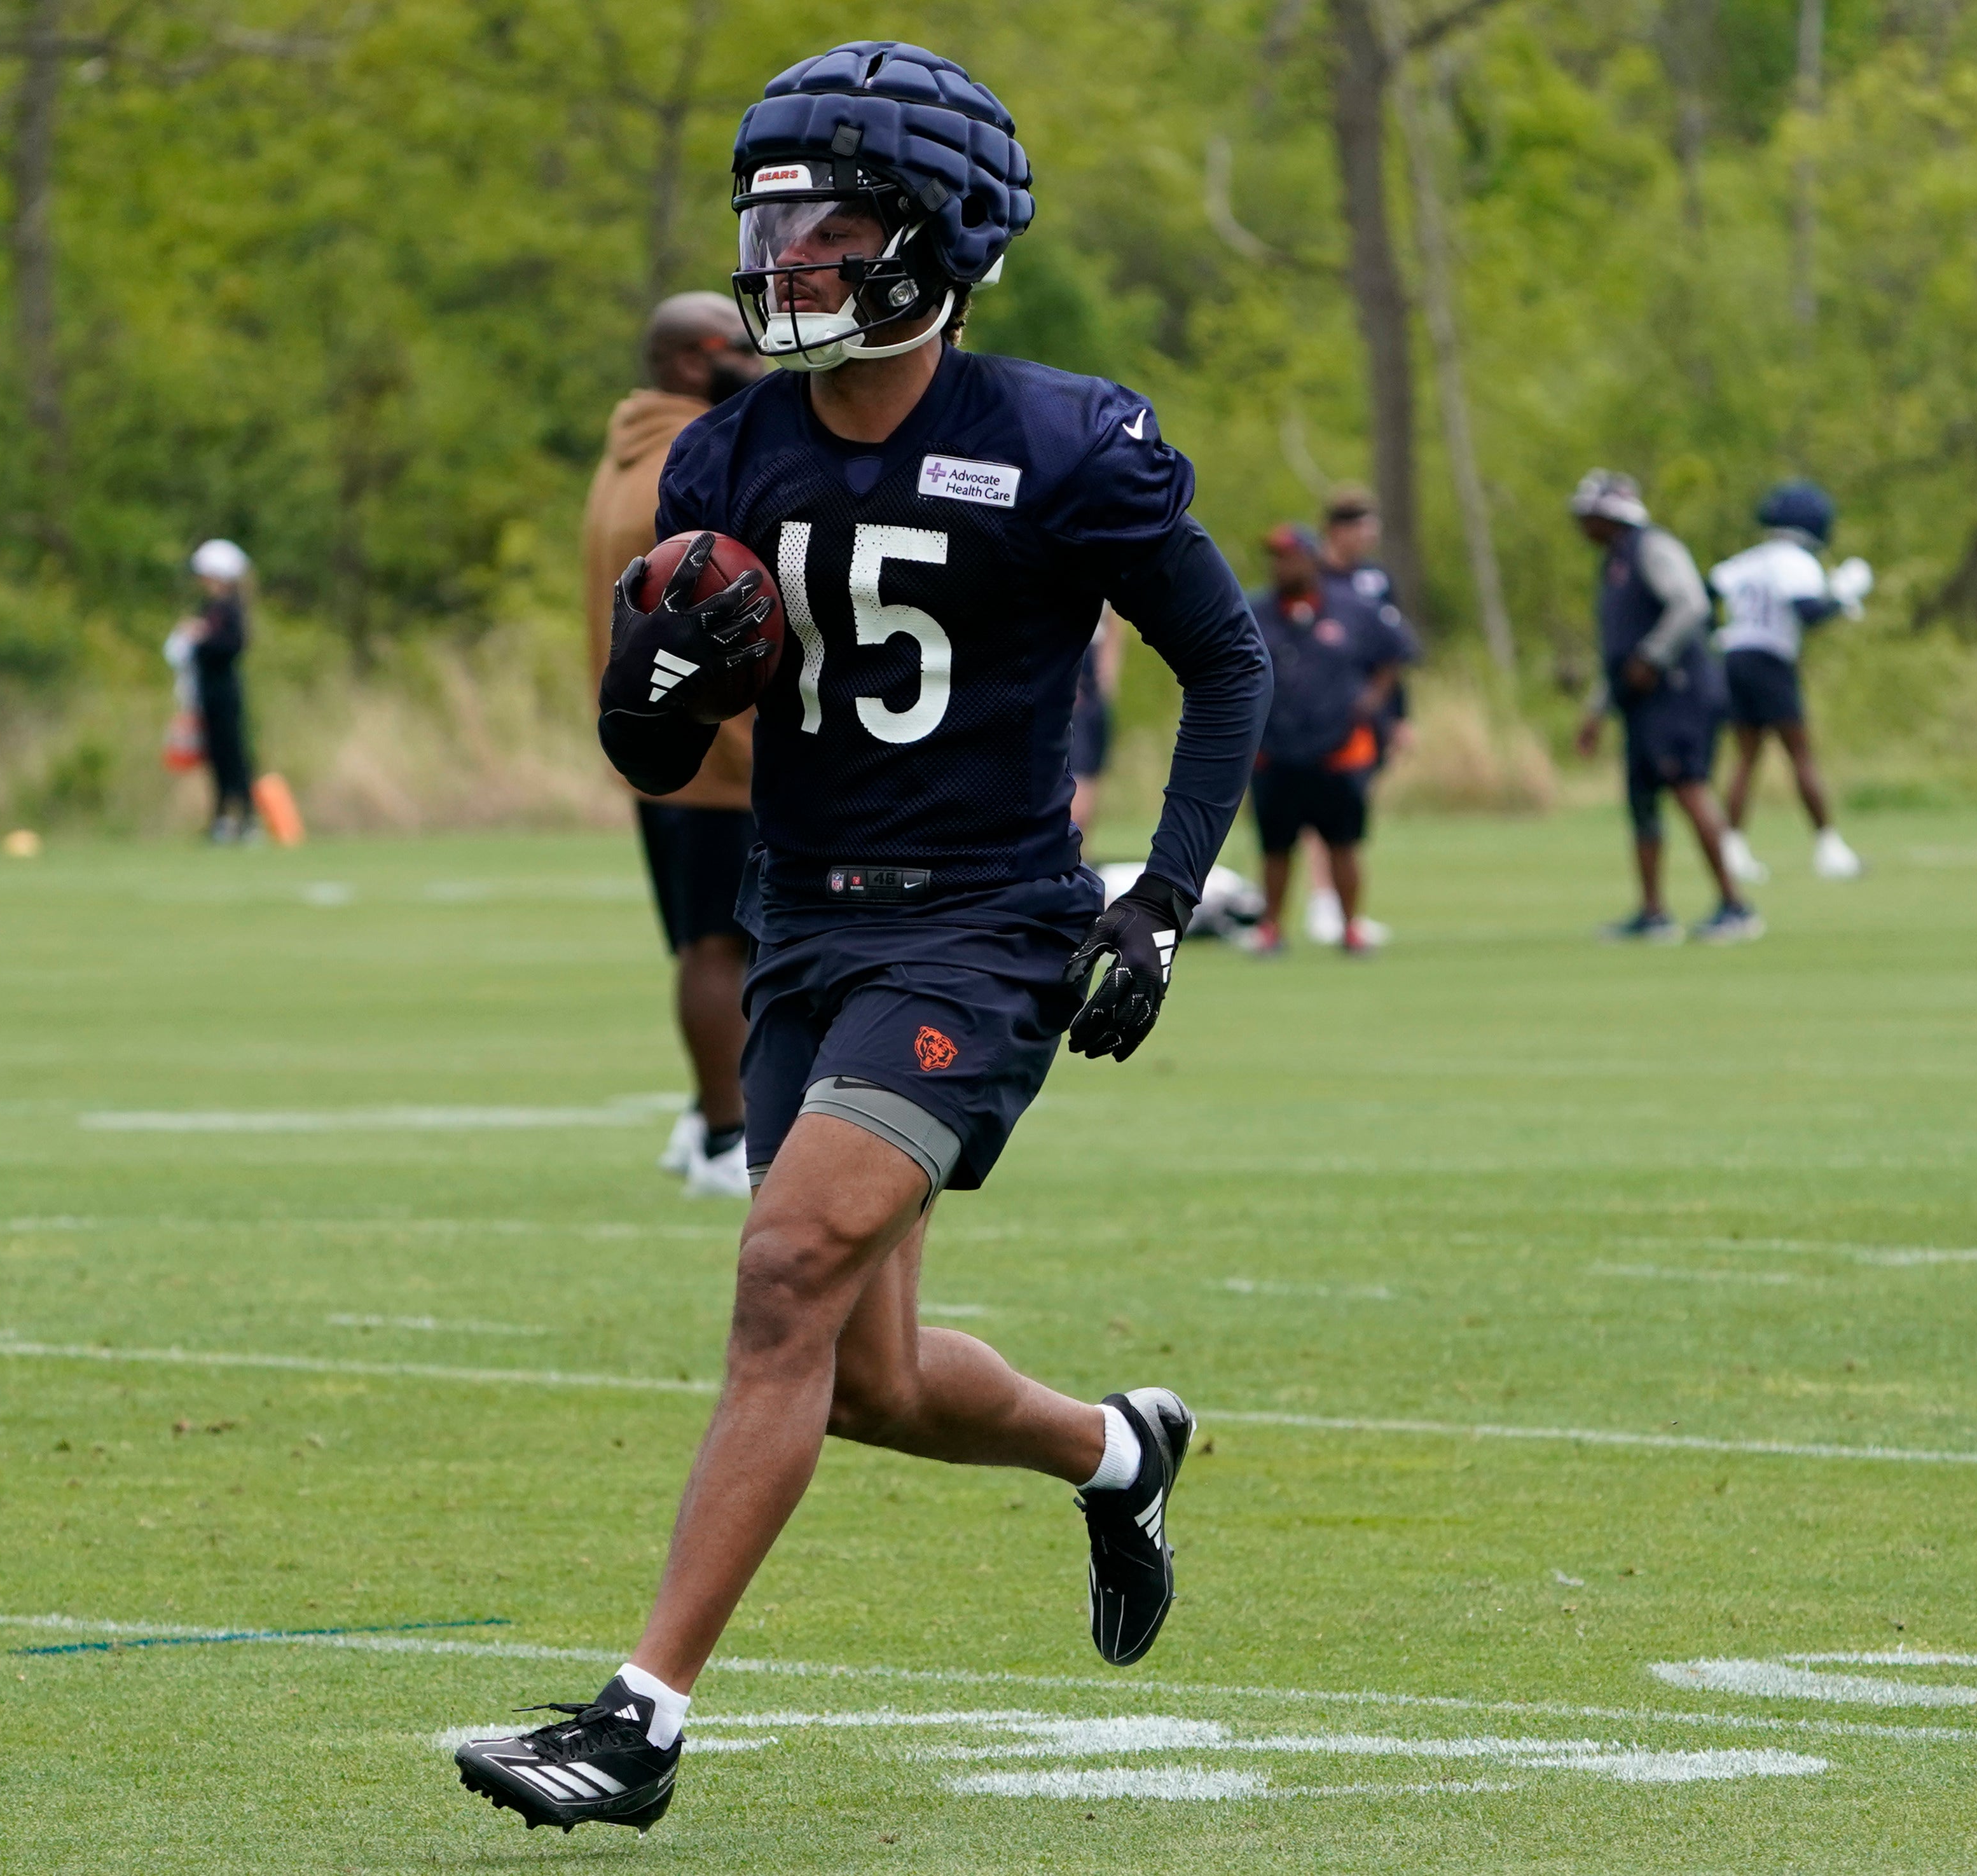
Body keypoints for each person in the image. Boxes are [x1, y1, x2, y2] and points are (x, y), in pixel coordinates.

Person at [455, 41, 1271, 1835]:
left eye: (831, 221)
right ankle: (1119, 1446)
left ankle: (640, 1719)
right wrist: (654, 685)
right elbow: (648, 749)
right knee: (870, 1377)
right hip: (800, 921)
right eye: (772, 219)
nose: (790, 255)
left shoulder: (1065, 441)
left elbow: (1227, 660)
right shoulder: (727, 451)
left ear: (939, 240)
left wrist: (1156, 898)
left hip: (982, 934)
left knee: (778, 1272)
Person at [584, 291, 768, 1197]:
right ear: (696, 360)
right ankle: (726, 1136)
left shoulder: (627, 448)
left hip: (661, 745)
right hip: (715, 752)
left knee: (707, 945)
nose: (766, 351)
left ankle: (705, 1118)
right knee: (720, 948)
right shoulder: (684, 462)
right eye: (744, 343)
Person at [1571, 470, 1758, 943]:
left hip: (1678, 693)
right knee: (1642, 801)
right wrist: (1598, 708)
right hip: (1640, 701)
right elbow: (1615, 649)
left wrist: (1654, 655)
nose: (1581, 525)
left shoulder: (1652, 548)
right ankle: (1652, 912)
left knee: (1689, 788)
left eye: (1588, 515)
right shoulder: (1613, 563)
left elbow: (1690, 604)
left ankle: (1734, 905)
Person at [1244, 523, 1415, 956]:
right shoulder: (1255, 611)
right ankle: (1270, 928)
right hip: (1274, 749)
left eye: (1290, 556)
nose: (1282, 566)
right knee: (1275, 846)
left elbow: (1395, 652)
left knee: (1343, 843)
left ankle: (1350, 927)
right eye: (1276, 558)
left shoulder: (1351, 608)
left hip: (1338, 749)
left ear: (1311, 558)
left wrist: (1372, 703)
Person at [1709, 479, 1870, 885]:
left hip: (1732, 656)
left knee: (1746, 756)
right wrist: (1843, 596)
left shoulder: (1748, 560)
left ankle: (1731, 848)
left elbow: (1709, 590)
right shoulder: (1794, 561)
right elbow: (1810, 612)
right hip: (1769, 659)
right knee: (1799, 753)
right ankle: (1829, 848)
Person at [1305, 482, 1406, 946]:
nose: (1366, 534)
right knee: (1314, 806)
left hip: (1368, 714)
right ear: (1335, 530)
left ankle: (1344, 906)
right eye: (1356, 525)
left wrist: (1401, 715)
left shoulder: (1376, 581)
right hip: (1318, 712)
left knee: (1351, 808)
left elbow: (1394, 653)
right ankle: (1323, 902)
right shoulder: (1313, 579)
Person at [186, 539, 255, 844]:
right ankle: (222, 819)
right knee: (214, 757)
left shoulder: (230, 609)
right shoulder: (209, 608)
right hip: (207, 693)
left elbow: (234, 646)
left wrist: (203, 639)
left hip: (225, 692)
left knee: (234, 756)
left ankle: (248, 818)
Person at [1069, 603, 1125, 845]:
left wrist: (1107, 677)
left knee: (1085, 807)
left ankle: (1078, 872)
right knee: (1072, 804)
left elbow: (1115, 618)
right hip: (1067, 660)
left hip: (1091, 676)